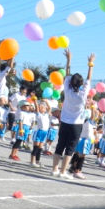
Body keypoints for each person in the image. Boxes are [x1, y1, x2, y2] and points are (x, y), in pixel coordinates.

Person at [51, 49, 94, 179]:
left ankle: (54, 170)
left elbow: (68, 73)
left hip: (64, 122)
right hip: (76, 125)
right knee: (70, 149)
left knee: (60, 146)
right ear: (81, 84)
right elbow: (89, 78)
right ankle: (63, 172)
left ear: (70, 82)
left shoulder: (67, 90)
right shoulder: (83, 93)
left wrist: (69, 59)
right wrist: (90, 64)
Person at [69, 108, 97, 179]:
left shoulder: (82, 121)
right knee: (82, 156)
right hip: (85, 140)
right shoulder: (88, 121)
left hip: (81, 139)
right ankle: (77, 171)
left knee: (78, 154)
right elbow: (93, 116)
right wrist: (93, 107)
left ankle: (73, 168)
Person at [30, 99, 51, 167]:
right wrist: (35, 102)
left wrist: (46, 101)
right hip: (39, 132)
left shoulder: (46, 115)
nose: (42, 108)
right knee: (35, 147)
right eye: (40, 107)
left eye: (43, 107)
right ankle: (32, 162)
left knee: (40, 148)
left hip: (45, 132)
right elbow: (36, 106)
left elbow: (50, 108)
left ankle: (37, 161)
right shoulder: (38, 114)